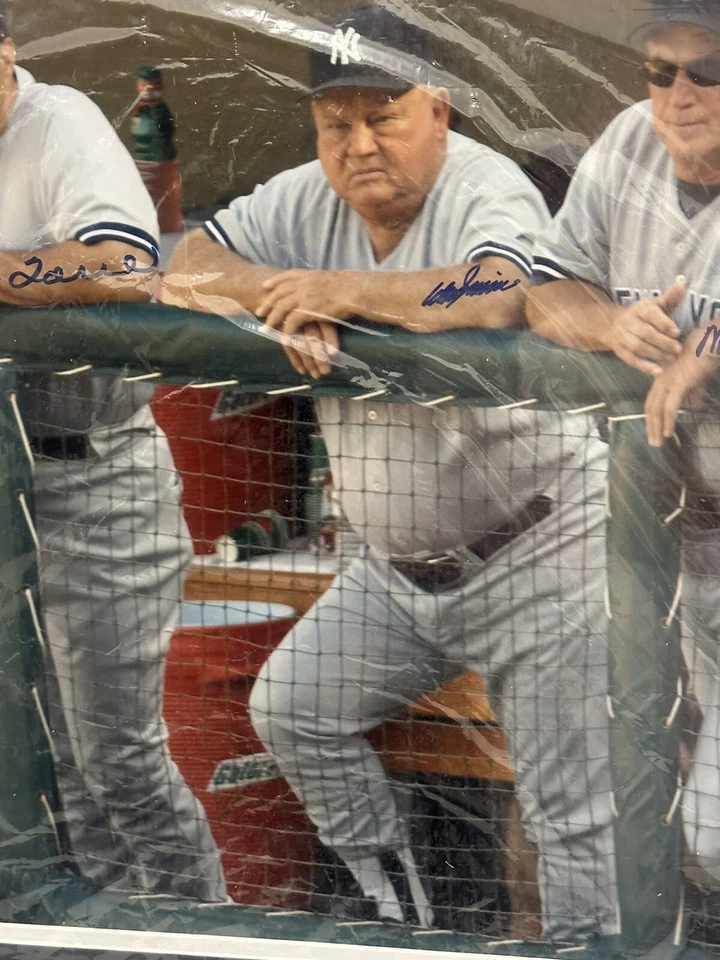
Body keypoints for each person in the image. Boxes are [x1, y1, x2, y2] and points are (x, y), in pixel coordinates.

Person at [165, 5, 617, 940]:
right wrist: (271, 294)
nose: (360, 142)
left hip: (539, 550)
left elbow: (497, 292)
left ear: (440, 111)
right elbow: (181, 263)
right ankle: (397, 920)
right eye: (337, 123)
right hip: (393, 575)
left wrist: (343, 293)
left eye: (385, 115)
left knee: (571, 821)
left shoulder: (486, 185)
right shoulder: (305, 199)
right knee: (293, 710)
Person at [0, 7, 225, 900]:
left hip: (95, 479)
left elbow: (130, 263)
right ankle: (101, 942)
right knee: (46, 768)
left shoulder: (57, 124)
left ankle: (203, 937)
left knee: (116, 764)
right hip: (12, 490)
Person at [526, 0, 720, 886]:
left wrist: (708, 352)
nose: (679, 94)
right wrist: (609, 326)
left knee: (709, 839)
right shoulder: (628, 144)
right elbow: (544, 289)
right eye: (660, 70)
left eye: (707, 71)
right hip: (670, 551)